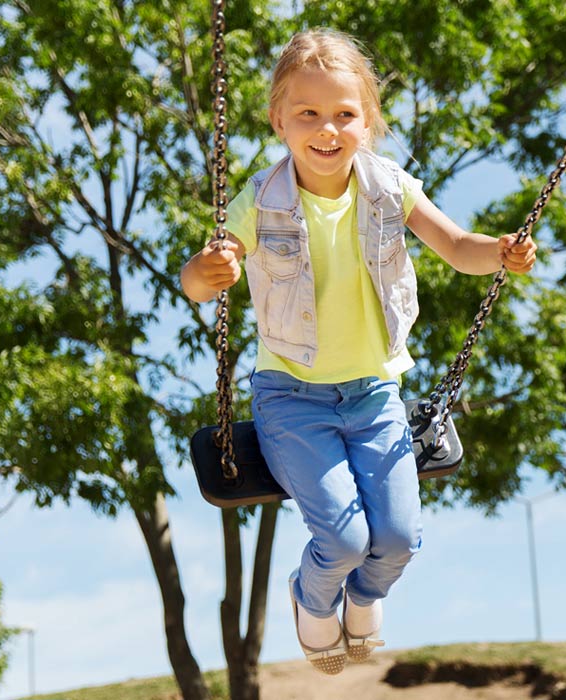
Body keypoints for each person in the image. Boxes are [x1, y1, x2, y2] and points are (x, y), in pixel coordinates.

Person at [179, 28, 537, 675]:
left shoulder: (390, 187)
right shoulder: (260, 202)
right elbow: (199, 280)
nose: (327, 129)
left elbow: (458, 247)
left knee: (397, 539)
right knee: (343, 540)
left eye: (345, 114)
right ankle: (313, 600)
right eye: (308, 113)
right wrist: (208, 272)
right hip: (292, 399)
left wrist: (502, 251)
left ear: (367, 121)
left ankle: (365, 598)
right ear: (279, 121)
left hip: (374, 395)